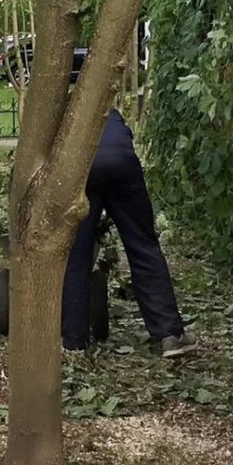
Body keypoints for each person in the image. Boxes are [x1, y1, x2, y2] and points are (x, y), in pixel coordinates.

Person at [62, 108, 196, 358]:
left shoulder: (60, 113)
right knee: (143, 246)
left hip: (80, 171)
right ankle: (170, 335)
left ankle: (74, 344)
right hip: (122, 167)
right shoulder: (109, 111)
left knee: (76, 257)